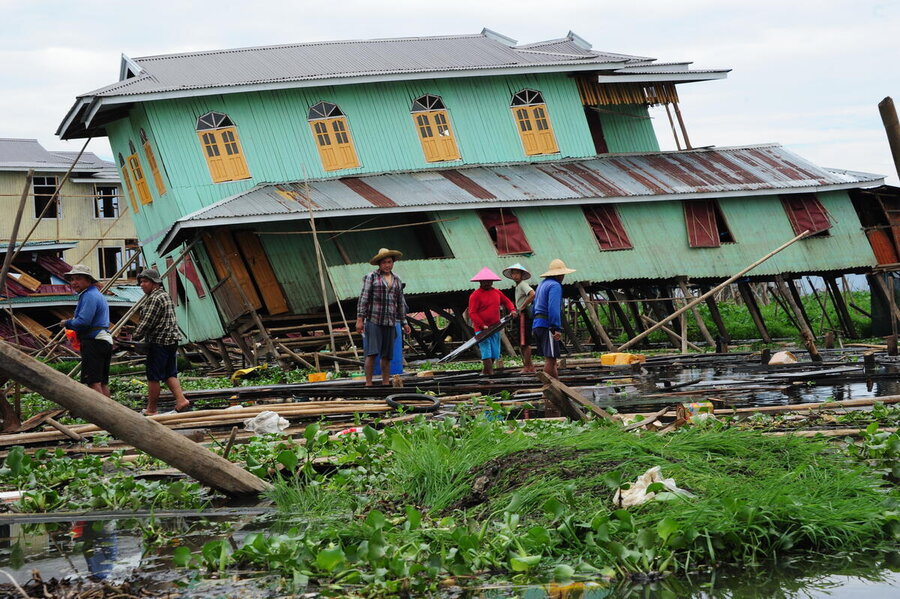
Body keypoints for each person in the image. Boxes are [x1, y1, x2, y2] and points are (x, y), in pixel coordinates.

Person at [132, 268, 191, 415]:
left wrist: (136, 336)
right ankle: (181, 400)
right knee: (169, 373)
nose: (142, 285)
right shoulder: (165, 295)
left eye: (145, 281)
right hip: (171, 341)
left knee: (153, 377)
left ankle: (151, 409)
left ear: (154, 283)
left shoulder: (155, 298)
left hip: (159, 342)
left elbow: (147, 322)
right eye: (141, 282)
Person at [356, 248, 411, 386]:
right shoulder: (372, 277)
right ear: (379, 264)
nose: (388, 265)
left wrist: (404, 322)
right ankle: (369, 384)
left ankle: (385, 383)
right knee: (372, 353)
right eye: (385, 262)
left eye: (390, 262)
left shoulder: (397, 279)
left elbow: (400, 303)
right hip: (374, 320)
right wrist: (360, 320)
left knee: (387, 355)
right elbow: (364, 299)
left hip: (391, 322)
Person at [61, 265, 112, 397]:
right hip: (103, 340)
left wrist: (67, 323)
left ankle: (101, 415)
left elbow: (83, 322)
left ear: (88, 280)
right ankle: (108, 414)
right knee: (101, 382)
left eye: (78, 279)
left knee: (93, 382)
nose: (74, 283)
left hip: (94, 341)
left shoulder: (88, 296)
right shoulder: (96, 294)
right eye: (72, 279)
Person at [532, 258, 576, 379]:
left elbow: (534, 306)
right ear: (560, 274)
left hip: (537, 323)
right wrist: (555, 327)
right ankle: (546, 390)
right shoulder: (555, 286)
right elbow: (553, 308)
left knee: (551, 359)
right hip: (547, 325)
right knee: (551, 360)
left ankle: (557, 387)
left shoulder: (542, 284)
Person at [468, 267, 516, 376]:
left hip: (495, 327)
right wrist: (482, 325)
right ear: (480, 281)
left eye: (489, 281)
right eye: (485, 281)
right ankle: (489, 373)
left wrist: (512, 310)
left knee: (495, 352)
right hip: (482, 329)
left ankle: (486, 371)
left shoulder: (497, 292)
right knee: (486, 352)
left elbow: (507, 302)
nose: (488, 283)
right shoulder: (475, 295)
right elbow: (472, 313)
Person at [503, 263, 535, 374]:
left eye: (517, 273)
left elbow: (532, 294)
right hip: (521, 314)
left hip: (524, 315)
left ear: (521, 275)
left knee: (525, 342)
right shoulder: (518, 286)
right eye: (513, 274)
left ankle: (528, 367)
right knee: (523, 342)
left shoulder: (522, 284)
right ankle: (528, 366)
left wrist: (522, 306)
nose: (515, 276)